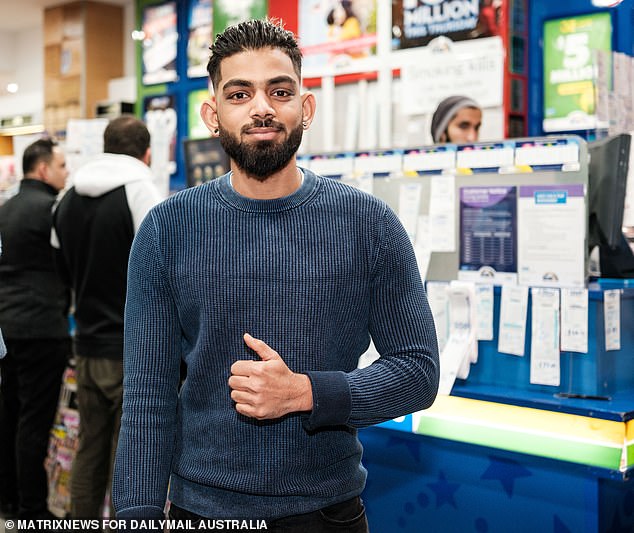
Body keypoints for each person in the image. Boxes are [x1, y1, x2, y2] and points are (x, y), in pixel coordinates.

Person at [112, 18, 439, 532]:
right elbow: (148, 394)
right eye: (239, 93)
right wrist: (137, 514)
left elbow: (418, 373)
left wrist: (306, 393)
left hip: (327, 513)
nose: (262, 107)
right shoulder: (166, 229)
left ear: (304, 109)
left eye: (279, 91)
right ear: (212, 114)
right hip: (200, 512)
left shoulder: (368, 223)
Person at [51, 116, 162, 519]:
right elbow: (159, 273)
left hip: (86, 344)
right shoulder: (141, 191)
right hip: (130, 349)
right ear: (147, 152)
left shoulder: (66, 199)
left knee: (89, 446)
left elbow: (60, 269)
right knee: (127, 459)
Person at [0, 138, 70, 520]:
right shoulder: (53, 210)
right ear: (43, 169)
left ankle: (8, 500)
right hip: (42, 329)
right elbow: (67, 268)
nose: (66, 173)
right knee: (34, 423)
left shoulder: (4, 209)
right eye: (61, 166)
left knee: (8, 415)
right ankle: (32, 511)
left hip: (6, 328)